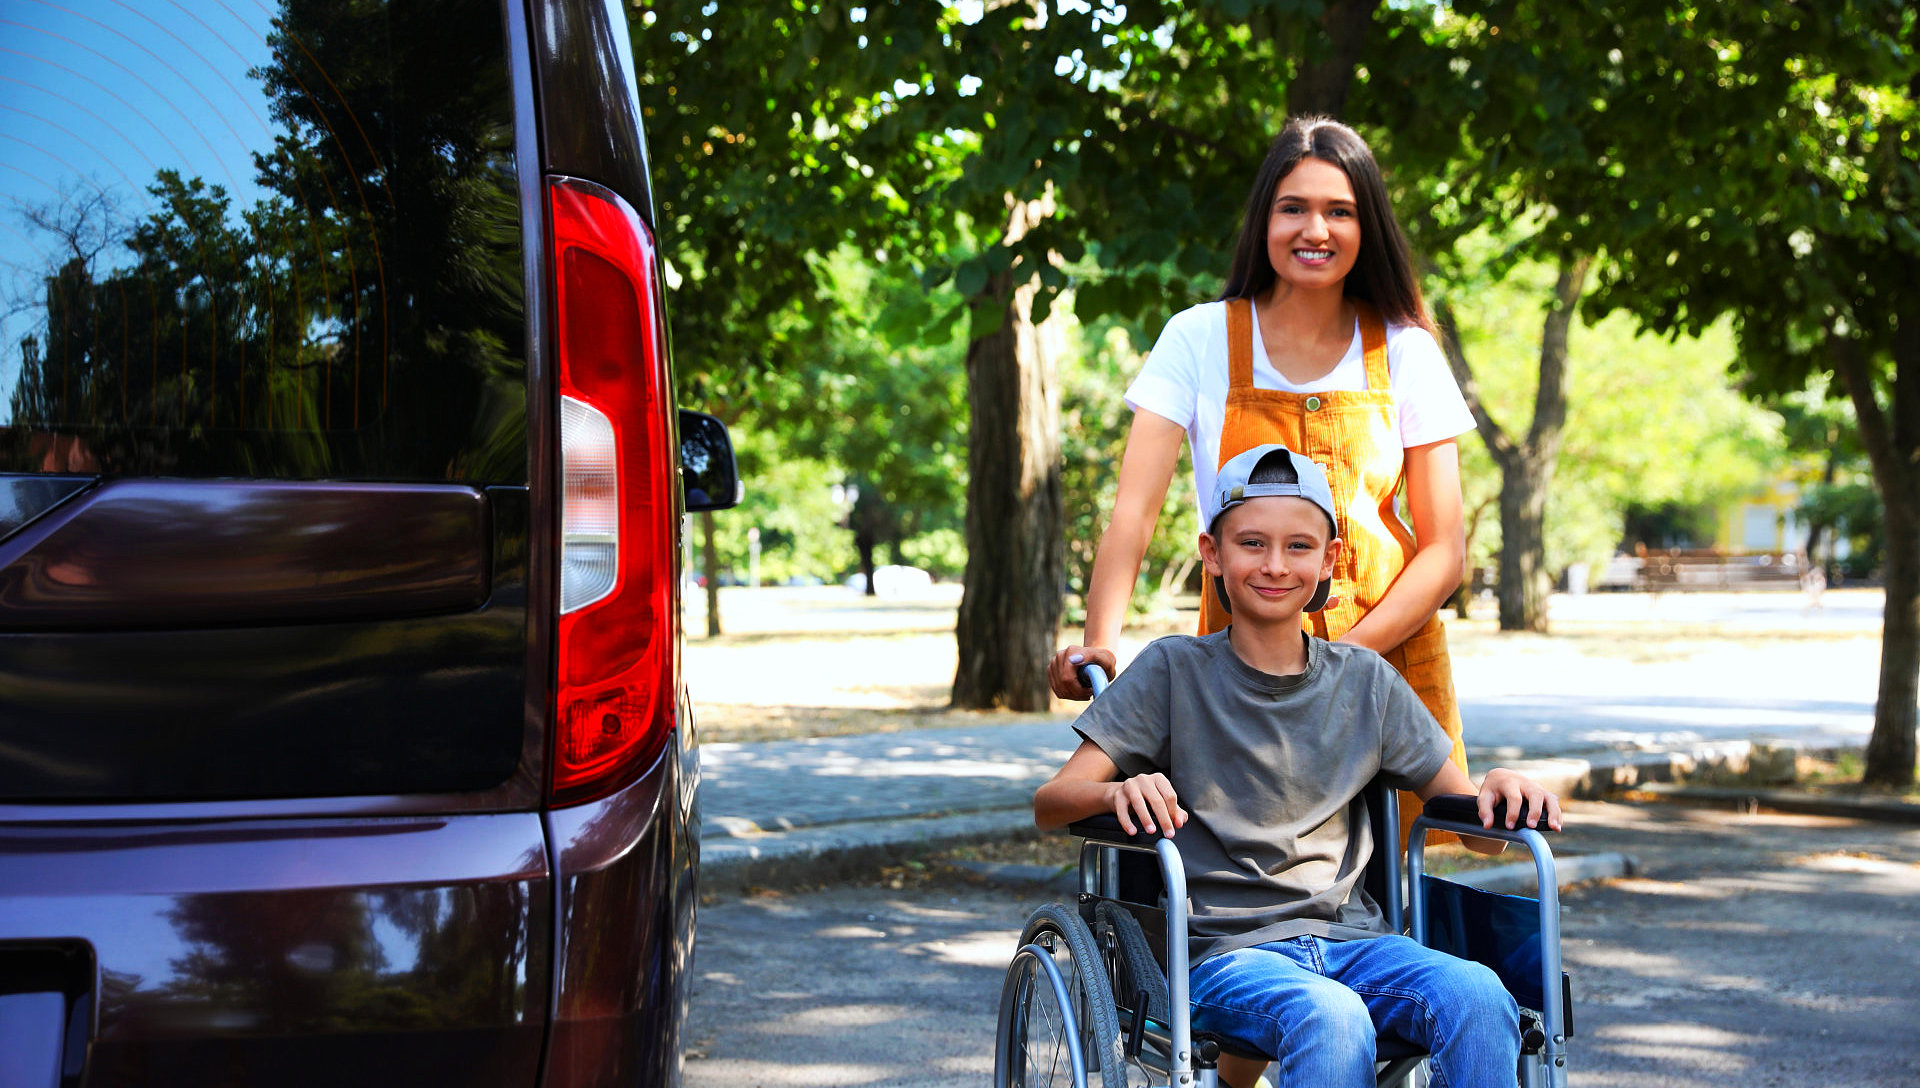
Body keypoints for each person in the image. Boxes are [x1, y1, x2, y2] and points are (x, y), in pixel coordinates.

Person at [1034, 444, 1564, 1088]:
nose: (1276, 565)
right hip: (1223, 952)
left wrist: (1499, 792)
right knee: (1330, 1017)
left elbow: (1471, 823)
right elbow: (1052, 800)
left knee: (1478, 993)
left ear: (1329, 560)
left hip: (1358, 942)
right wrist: (1117, 792)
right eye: (1252, 543)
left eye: (1299, 547)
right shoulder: (1173, 670)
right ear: (1212, 554)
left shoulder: (1367, 682)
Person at [1048, 116, 1476, 822]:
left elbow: (1444, 549)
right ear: (1264, 221)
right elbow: (1135, 514)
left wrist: (1338, 671)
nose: (1317, 229)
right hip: (1239, 670)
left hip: (1386, 663)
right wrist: (1101, 640)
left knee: (1402, 881)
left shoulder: (1407, 352)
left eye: (1340, 211)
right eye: (1294, 208)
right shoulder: (1198, 338)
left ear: (1367, 226)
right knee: (1245, 863)